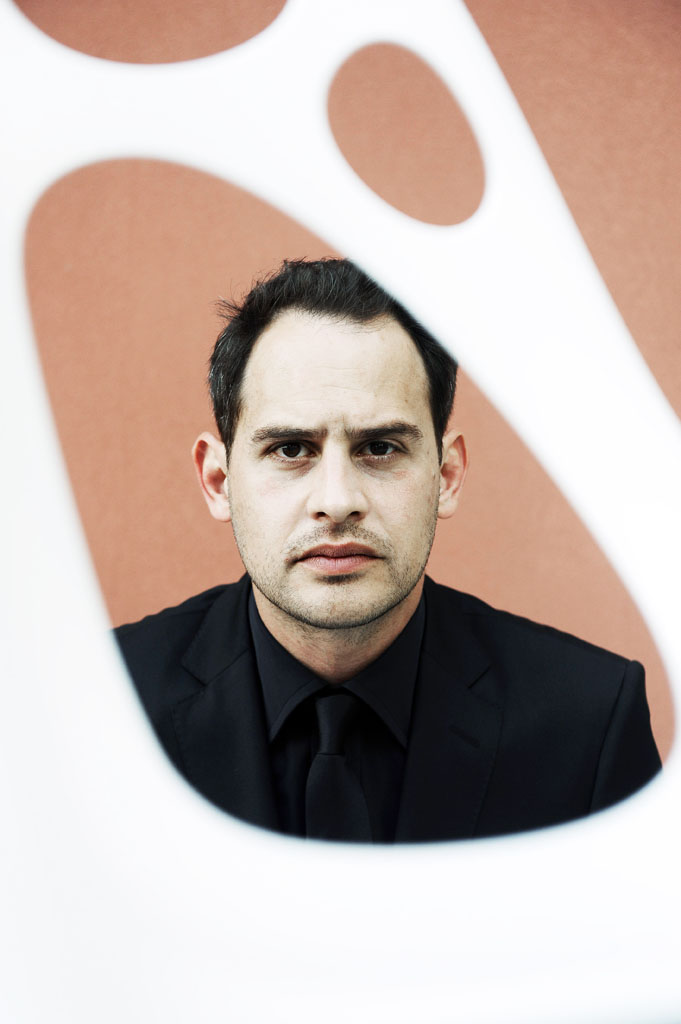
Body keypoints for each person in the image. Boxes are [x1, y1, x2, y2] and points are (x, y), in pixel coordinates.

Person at [115, 258, 661, 843]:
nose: (337, 500)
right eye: (291, 448)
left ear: (446, 475)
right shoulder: (99, 709)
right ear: (218, 482)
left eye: (379, 447)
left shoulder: (589, 720)